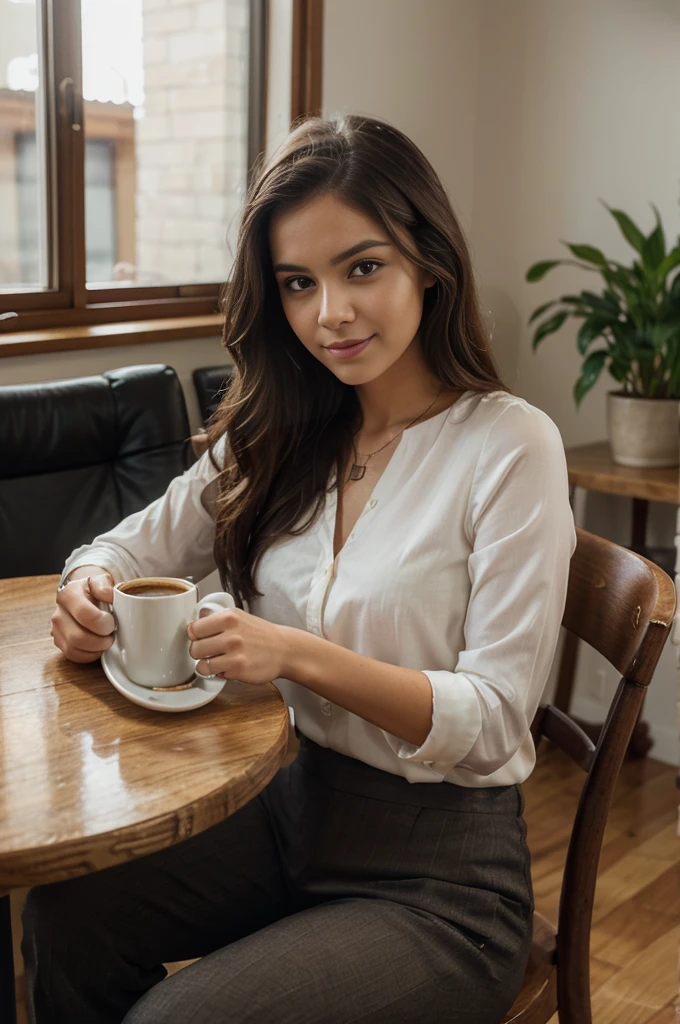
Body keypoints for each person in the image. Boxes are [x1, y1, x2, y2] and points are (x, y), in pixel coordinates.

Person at [23, 114, 576, 1024]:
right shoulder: (280, 430)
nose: (331, 313)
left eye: (363, 267)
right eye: (298, 283)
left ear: (429, 262)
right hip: (283, 813)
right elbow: (129, 548)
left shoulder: (511, 446)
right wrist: (86, 589)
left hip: (439, 881)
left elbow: (495, 720)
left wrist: (293, 653)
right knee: (62, 915)